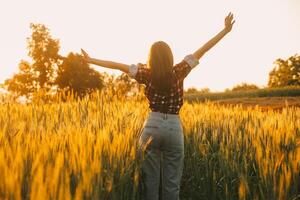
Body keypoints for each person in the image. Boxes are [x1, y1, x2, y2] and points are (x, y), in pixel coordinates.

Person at [81, 12, 235, 200]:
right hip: (173, 127)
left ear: (151, 58)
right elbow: (203, 49)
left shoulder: (146, 74)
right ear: (170, 57)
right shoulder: (179, 70)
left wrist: (92, 60)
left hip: (151, 127)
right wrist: (225, 31)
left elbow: (117, 65)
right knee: (171, 188)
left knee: (150, 189)